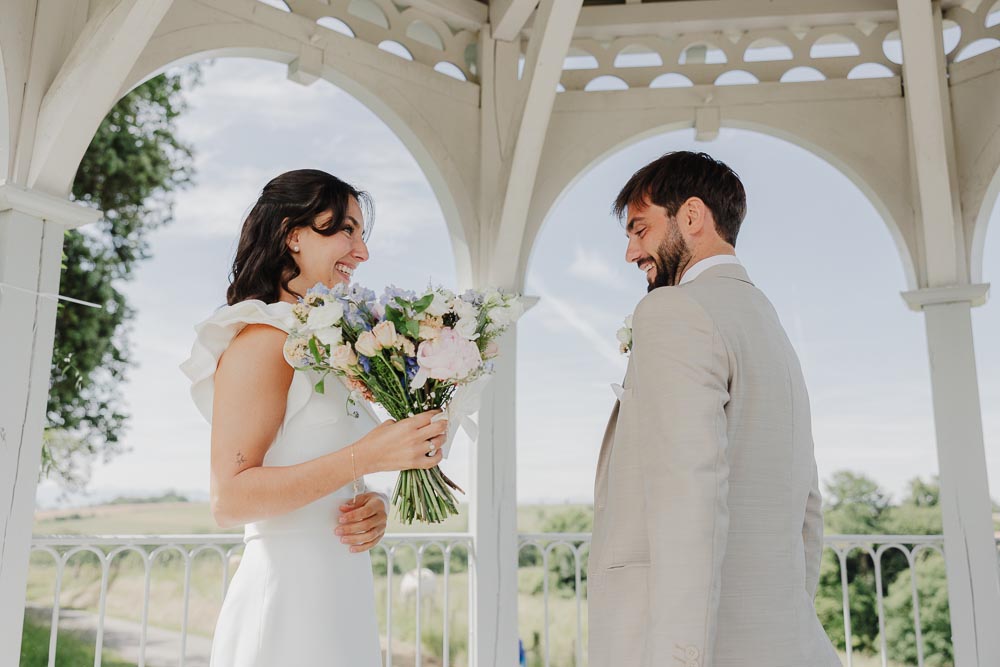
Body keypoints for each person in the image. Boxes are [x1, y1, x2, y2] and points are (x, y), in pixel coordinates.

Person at [180, 169, 446, 666]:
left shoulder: (329, 344)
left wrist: (370, 505)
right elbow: (230, 498)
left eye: (362, 234)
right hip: (286, 607)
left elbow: (330, 464)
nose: (362, 251)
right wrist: (364, 456)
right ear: (293, 234)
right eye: (346, 229)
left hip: (341, 596)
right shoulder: (261, 339)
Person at [587, 152, 841, 667]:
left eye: (640, 228)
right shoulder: (768, 321)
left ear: (692, 216)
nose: (631, 251)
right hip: (785, 638)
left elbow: (688, 494)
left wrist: (681, 656)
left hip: (698, 646)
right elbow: (808, 509)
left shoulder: (674, 309)